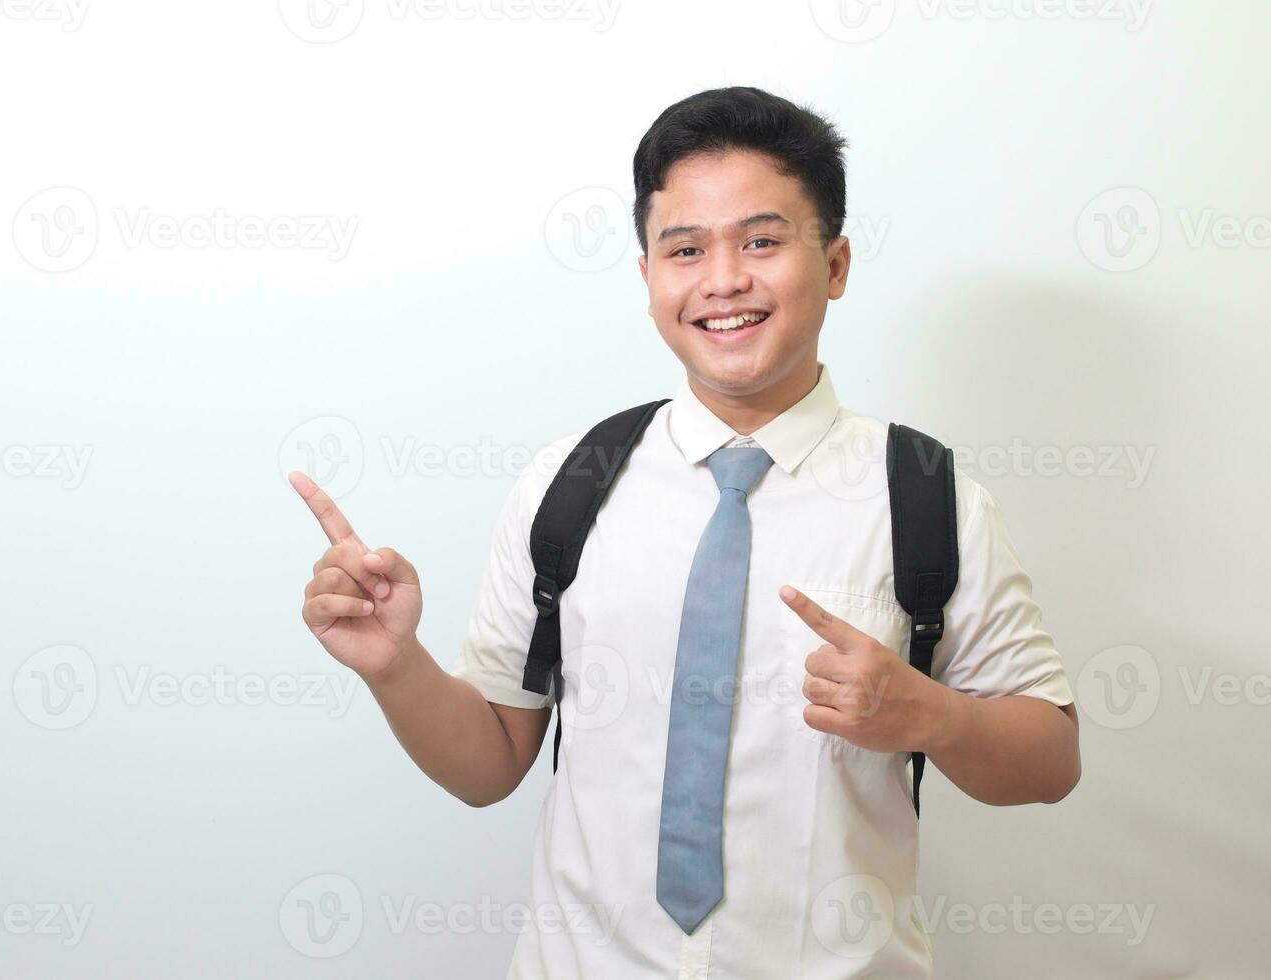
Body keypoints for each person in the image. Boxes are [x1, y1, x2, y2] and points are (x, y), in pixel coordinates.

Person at [290, 85, 1080, 979]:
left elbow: (1051, 759)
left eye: (762, 240)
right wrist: (396, 665)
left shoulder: (929, 496)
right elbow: (490, 765)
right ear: (648, 279)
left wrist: (930, 715)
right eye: (686, 248)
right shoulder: (568, 484)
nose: (724, 280)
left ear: (838, 264)